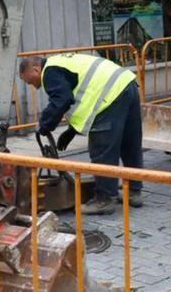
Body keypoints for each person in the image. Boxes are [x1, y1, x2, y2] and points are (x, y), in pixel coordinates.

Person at [19, 53, 144, 215]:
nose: (30, 84)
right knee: (130, 144)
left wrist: (45, 124)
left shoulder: (49, 72)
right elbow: (83, 98)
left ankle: (104, 200)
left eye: (27, 80)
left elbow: (62, 100)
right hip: (127, 83)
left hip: (111, 94)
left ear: (36, 69)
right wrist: (72, 130)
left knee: (102, 150)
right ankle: (134, 192)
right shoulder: (62, 62)